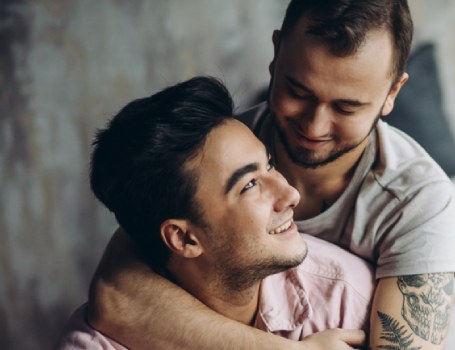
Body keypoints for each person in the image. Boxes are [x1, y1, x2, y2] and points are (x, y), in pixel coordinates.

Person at [88, 1, 455, 349]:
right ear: (276, 54)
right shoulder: (222, 151)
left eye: (346, 107)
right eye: (299, 91)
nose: (314, 125)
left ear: (393, 93)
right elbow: (116, 299)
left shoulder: (418, 197)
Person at [58, 76, 374, 349]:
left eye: (270, 165)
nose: (290, 194)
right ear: (183, 238)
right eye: (250, 185)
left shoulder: (344, 293)